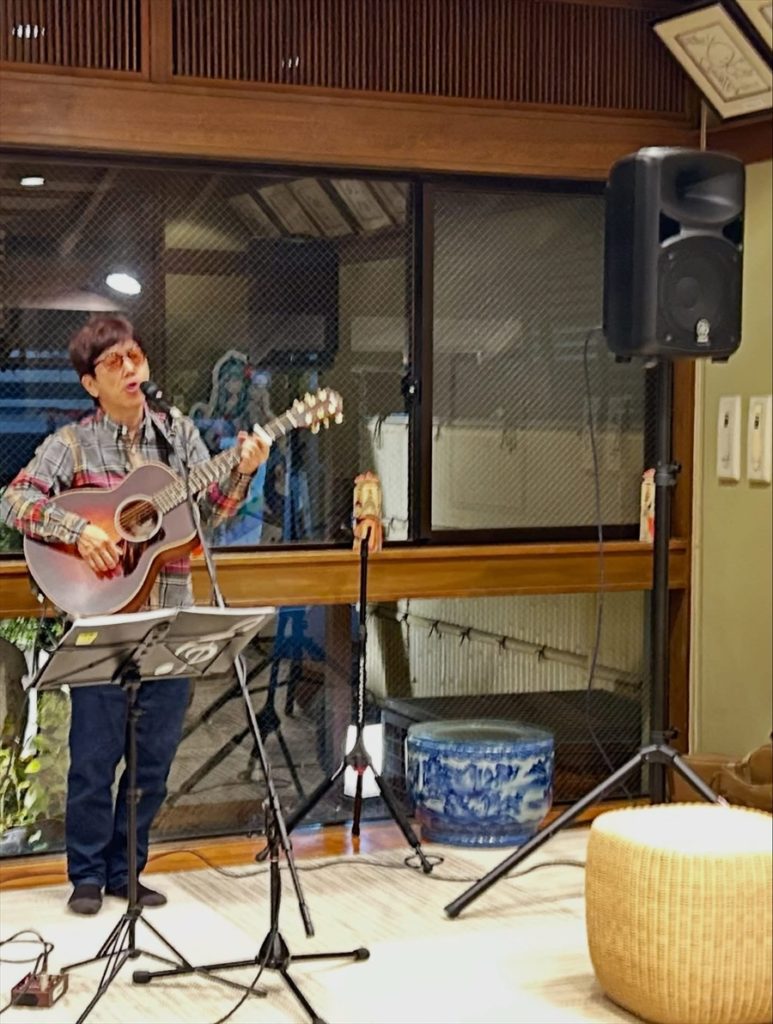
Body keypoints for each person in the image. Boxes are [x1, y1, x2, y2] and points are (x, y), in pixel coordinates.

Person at [0, 315, 270, 915]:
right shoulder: (71, 444)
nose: (130, 368)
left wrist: (244, 468)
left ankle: (128, 870)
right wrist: (79, 531)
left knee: (153, 764)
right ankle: (86, 875)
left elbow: (209, 514)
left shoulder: (178, 436)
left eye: (135, 356)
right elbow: (15, 500)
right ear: (90, 383)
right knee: (93, 761)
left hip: (168, 621)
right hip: (102, 625)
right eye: (113, 362)